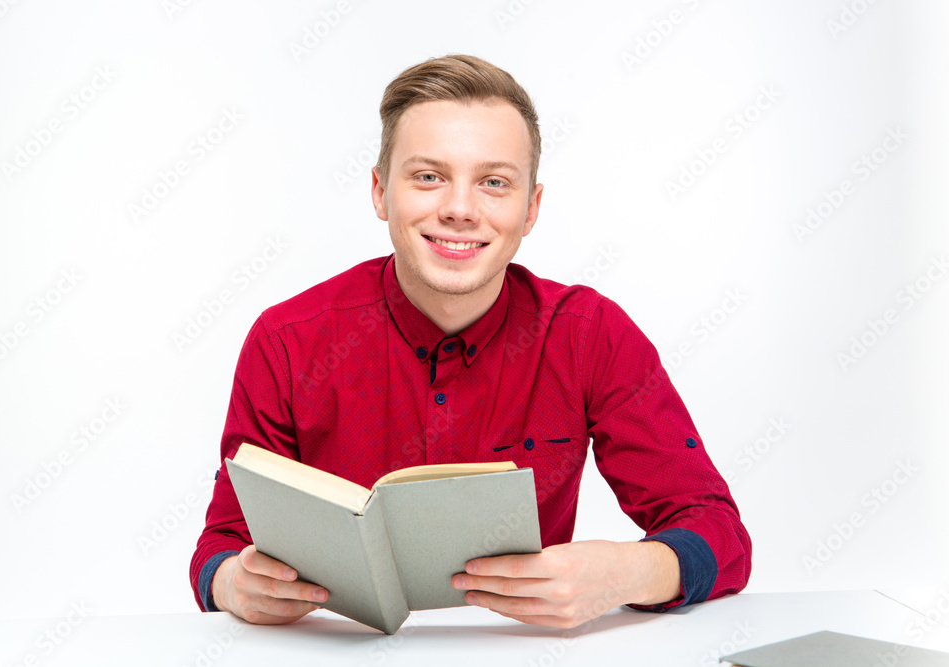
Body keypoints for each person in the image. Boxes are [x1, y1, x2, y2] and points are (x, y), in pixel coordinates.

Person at [189, 54, 751, 630]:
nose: (460, 209)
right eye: (429, 176)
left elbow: (718, 533)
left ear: (530, 208)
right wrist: (234, 582)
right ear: (381, 192)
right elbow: (220, 547)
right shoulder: (286, 342)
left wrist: (626, 572)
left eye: (494, 182)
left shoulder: (590, 335)